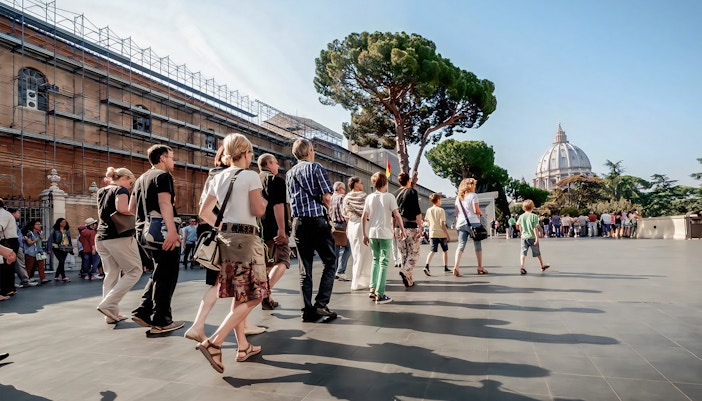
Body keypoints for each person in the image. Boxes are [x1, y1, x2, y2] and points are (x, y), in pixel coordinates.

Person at [195, 133, 269, 374]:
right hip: (247, 239)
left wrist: (222, 225)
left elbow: (204, 212)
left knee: (240, 294)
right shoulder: (251, 175)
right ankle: (214, 342)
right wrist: (264, 203)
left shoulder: (218, 177)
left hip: (226, 238)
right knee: (256, 295)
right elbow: (257, 210)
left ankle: (243, 347)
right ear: (246, 153)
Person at [129, 144, 184, 334]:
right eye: (171, 157)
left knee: (159, 272)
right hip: (161, 232)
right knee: (167, 276)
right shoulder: (163, 176)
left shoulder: (140, 179)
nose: (173, 162)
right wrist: (172, 231)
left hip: (142, 232)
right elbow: (164, 203)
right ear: (162, 158)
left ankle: (143, 310)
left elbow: (130, 208)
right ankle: (161, 321)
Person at [286, 138, 338, 323]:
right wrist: (330, 214)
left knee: (304, 268)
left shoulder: (289, 173)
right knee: (330, 262)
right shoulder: (316, 168)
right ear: (309, 151)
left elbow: (289, 201)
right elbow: (327, 197)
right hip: (317, 221)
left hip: (299, 223)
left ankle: (308, 311)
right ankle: (321, 303)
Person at [94, 167, 143, 324]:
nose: (131, 185)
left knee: (111, 274)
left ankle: (111, 315)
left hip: (101, 237)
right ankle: (108, 304)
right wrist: (138, 212)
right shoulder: (120, 189)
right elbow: (122, 208)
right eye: (131, 182)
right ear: (124, 178)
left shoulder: (101, 191)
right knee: (135, 271)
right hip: (118, 236)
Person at [362, 172, 405, 304]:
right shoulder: (389, 196)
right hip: (385, 233)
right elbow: (396, 215)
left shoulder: (369, 197)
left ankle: (372, 288)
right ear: (385, 183)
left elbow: (364, 216)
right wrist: (402, 230)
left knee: (375, 260)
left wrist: (364, 234)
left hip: (372, 233)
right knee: (384, 263)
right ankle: (380, 294)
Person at [258, 153, 290, 310]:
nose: (278, 165)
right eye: (276, 163)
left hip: (259, 229)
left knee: (267, 264)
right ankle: (264, 292)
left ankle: (267, 300)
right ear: (268, 164)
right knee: (283, 260)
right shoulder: (276, 180)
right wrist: (282, 229)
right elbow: (278, 205)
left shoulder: (255, 180)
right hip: (274, 228)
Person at [342, 176, 372, 291]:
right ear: (356, 184)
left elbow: (345, 214)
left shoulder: (347, 198)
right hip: (363, 226)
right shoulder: (364, 196)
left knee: (355, 254)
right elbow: (369, 212)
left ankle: (356, 281)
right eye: (361, 183)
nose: (362, 184)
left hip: (352, 226)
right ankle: (363, 281)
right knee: (365, 254)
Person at [453, 178, 487, 276]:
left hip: (461, 223)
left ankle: (456, 266)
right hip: (473, 223)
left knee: (461, 245)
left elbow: (457, 213)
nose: (475, 186)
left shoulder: (458, 198)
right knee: (477, 245)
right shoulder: (473, 195)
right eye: (474, 184)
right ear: (471, 185)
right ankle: (480, 267)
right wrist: (481, 213)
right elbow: (476, 210)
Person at [394, 172, 423, 287]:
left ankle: (409, 279)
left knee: (404, 254)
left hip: (398, 227)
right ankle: (405, 271)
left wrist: (393, 228)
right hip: (410, 226)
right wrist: (420, 227)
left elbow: (393, 214)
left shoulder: (394, 194)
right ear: (408, 180)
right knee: (414, 253)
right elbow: (417, 210)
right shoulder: (412, 192)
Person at [515, 199, 550, 274]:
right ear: (532, 207)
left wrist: (522, 232)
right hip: (532, 237)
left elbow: (518, 226)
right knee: (537, 253)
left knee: (523, 252)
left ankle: (522, 267)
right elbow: (535, 228)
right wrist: (537, 238)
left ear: (523, 207)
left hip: (524, 237)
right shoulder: (534, 216)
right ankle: (542, 266)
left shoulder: (521, 216)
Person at [423, 193, 451, 275]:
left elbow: (427, 223)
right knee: (445, 251)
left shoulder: (429, 210)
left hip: (432, 233)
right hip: (441, 234)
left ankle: (427, 266)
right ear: (438, 200)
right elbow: (442, 224)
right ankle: (445, 267)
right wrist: (447, 235)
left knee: (432, 251)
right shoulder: (441, 210)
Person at [8, 208, 35, 288]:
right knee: (19, 264)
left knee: (13, 265)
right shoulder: (10, 221)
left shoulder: (12, 222)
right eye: (18, 213)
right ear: (13, 213)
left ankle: (13, 283)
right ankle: (25, 281)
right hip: (15, 245)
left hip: (16, 244)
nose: (19, 215)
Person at [330, 181, 350, 281]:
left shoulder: (331, 197)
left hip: (334, 225)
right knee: (348, 248)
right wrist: (349, 225)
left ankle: (334, 271)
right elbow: (344, 212)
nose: (344, 191)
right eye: (343, 189)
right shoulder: (342, 197)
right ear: (339, 189)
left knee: (336, 249)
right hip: (342, 225)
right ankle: (341, 271)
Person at [0, 199, 21, 296]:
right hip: (9, 241)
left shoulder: (3, 214)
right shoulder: (5, 214)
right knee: (9, 266)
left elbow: (0, 227)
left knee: (5, 266)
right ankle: (10, 288)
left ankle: (7, 289)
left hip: (8, 242)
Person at [23, 219, 50, 285]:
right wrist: (38, 238)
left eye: (40, 224)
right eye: (37, 224)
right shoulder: (29, 233)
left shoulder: (39, 233)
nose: (39, 225)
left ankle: (43, 278)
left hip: (39, 252)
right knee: (29, 267)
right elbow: (29, 243)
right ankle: (26, 280)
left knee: (41, 266)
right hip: (30, 252)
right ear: (33, 226)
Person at [49, 218, 73, 282]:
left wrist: (71, 248)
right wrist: (49, 248)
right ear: (59, 223)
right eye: (62, 222)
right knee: (61, 261)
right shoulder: (54, 230)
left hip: (66, 247)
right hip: (57, 247)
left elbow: (69, 239)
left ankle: (56, 276)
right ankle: (63, 277)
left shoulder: (67, 230)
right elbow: (50, 239)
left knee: (61, 262)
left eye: (65, 222)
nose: (64, 223)